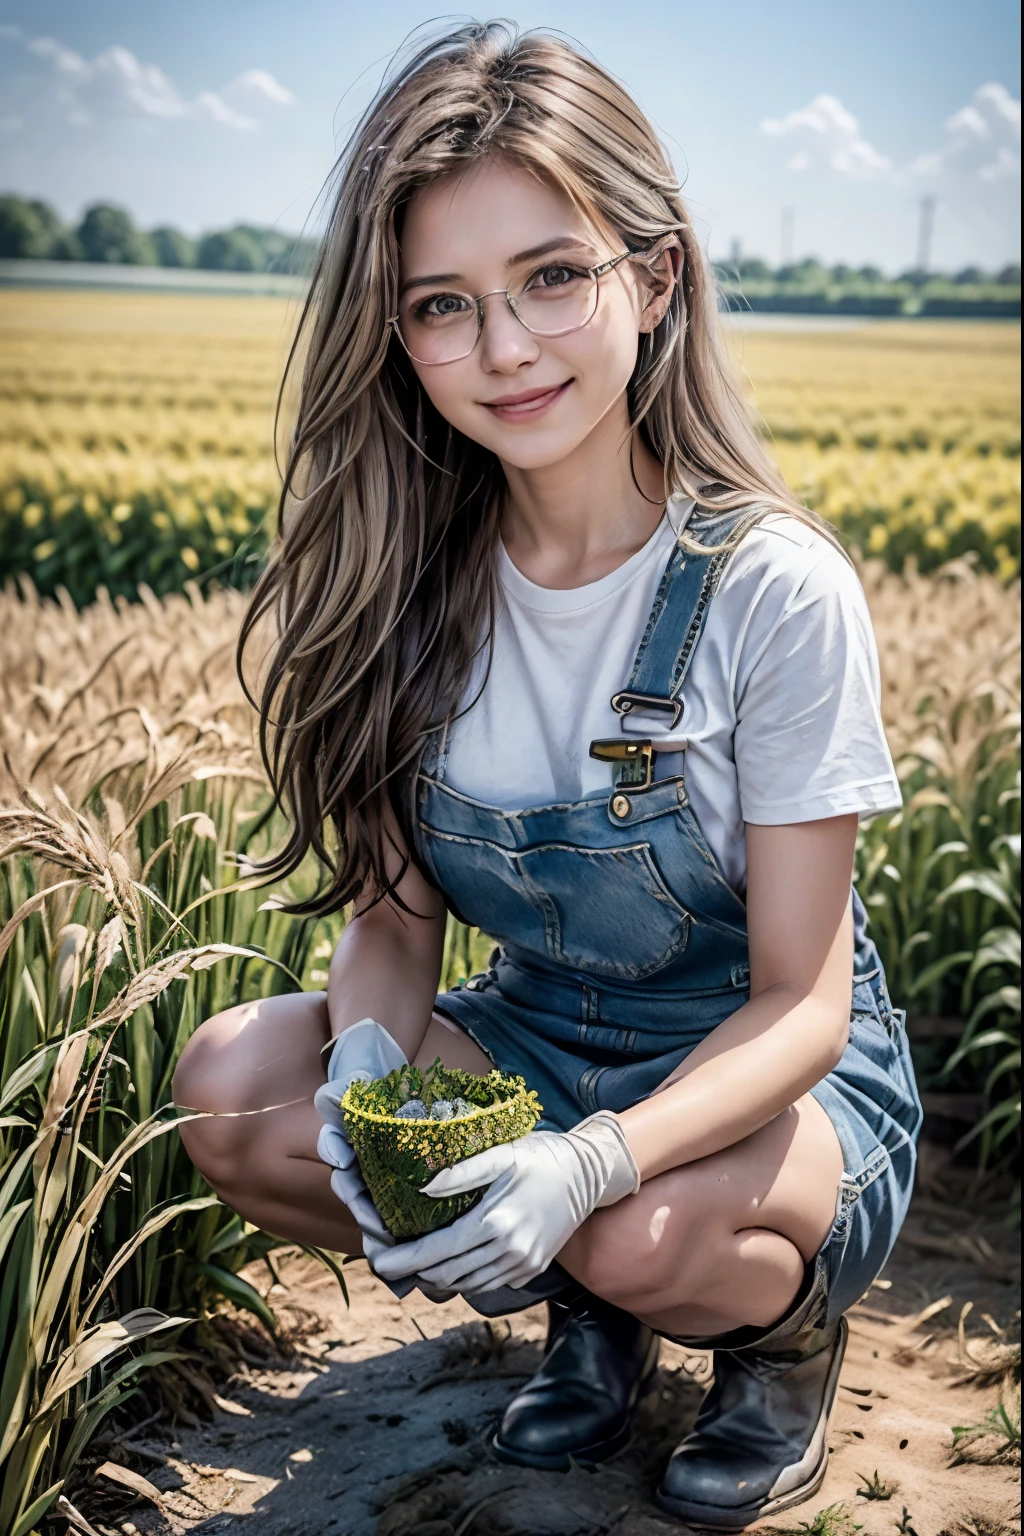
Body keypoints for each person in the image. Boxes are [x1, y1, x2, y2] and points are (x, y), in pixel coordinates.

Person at [173, 23, 922, 1529]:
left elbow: (805, 998)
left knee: (638, 1232)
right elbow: (393, 924)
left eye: (552, 277)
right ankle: (590, 1304)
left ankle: (772, 1344)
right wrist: (376, 1087)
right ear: (394, 333)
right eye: (444, 305)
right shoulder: (402, 584)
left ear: (655, 278)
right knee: (241, 1096)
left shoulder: (774, 588)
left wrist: (584, 1171)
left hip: (770, 1078)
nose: (505, 349)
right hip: (539, 1042)